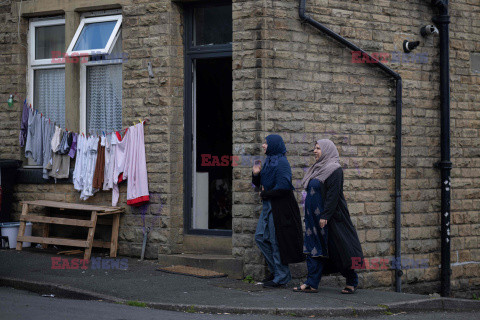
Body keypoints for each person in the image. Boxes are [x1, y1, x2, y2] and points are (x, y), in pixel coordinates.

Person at [293, 139, 364, 294]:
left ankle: (352, 280)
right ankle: (312, 283)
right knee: (313, 248)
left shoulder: (335, 170)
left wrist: (325, 215)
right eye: (314, 148)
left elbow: (333, 195)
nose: (315, 151)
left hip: (330, 219)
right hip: (313, 218)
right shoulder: (316, 169)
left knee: (338, 250)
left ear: (327, 150)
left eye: (318, 148)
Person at [252, 134, 304, 288]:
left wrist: (264, 194)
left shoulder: (281, 162)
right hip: (269, 205)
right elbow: (261, 183)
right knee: (260, 237)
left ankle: (282, 276)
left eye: (266, 143)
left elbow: (284, 187)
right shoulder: (269, 161)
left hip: (279, 207)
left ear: (273, 145)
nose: (263, 145)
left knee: (276, 241)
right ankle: (276, 271)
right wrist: (256, 174)